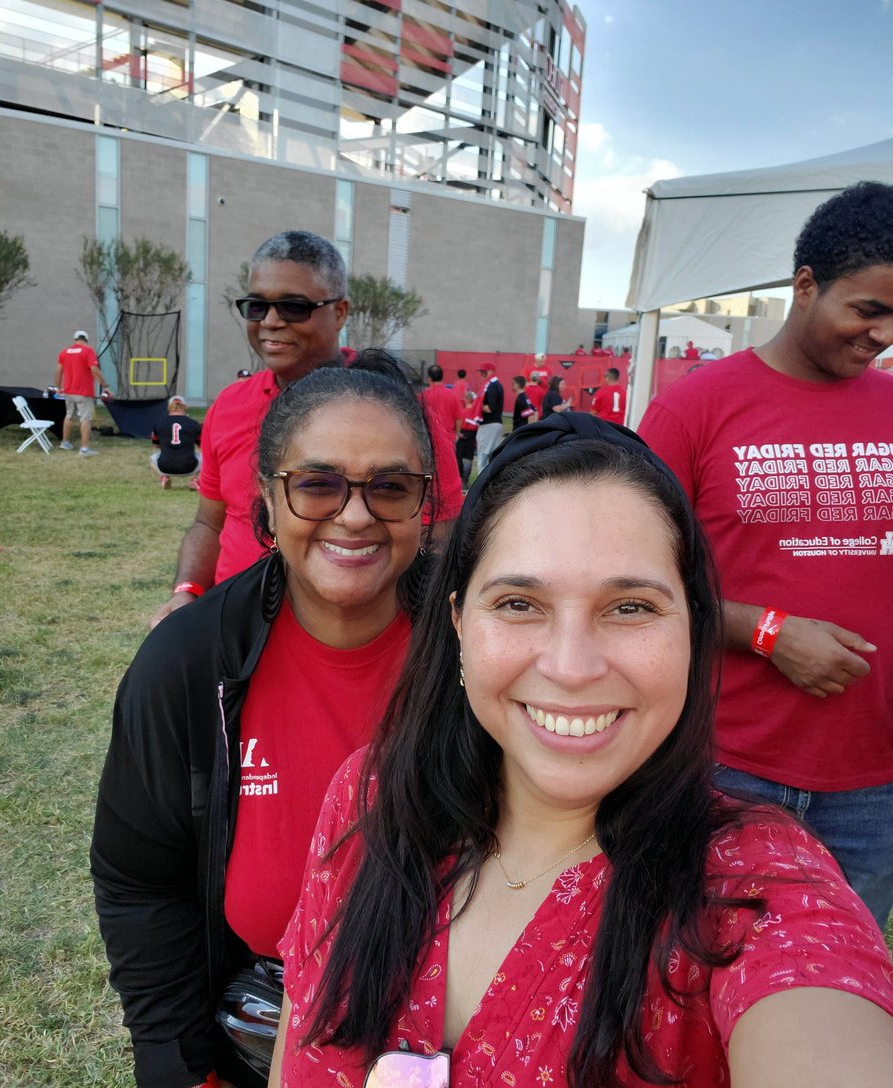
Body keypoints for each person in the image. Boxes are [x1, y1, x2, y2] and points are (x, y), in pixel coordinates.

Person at [269, 414, 893, 1088]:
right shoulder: (371, 796)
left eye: (629, 608)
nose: (571, 667)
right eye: (517, 604)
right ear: (457, 624)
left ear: (694, 628)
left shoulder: (756, 884)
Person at [91, 356, 437, 1088]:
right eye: (317, 483)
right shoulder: (184, 665)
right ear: (268, 503)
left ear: (424, 505)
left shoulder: (485, 643)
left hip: (469, 1033)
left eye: (390, 487)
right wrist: (179, 1067)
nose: (354, 514)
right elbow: (140, 887)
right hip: (261, 1042)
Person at [638, 180, 893, 929]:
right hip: (725, 766)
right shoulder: (694, 407)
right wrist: (767, 632)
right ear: (805, 285)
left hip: (873, 785)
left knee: (834, 996)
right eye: (867, 309)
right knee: (696, 981)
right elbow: (635, 588)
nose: (881, 334)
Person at [149, 232, 460, 630]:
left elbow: (440, 534)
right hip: (235, 630)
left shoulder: (400, 411)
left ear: (341, 312)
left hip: (358, 635)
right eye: (257, 306)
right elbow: (209, 523)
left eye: (294, 307)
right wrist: (186, 592)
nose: (271, 322)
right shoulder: (228, 406)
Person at [54, 328, 111, 456]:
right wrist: (105, 386)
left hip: (68, 391)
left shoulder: (64, 352)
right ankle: (84, 449)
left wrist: (58, 387)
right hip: (83, 392)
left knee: (69, 416)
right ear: (86, 340)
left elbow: (58, 371)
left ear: (75, 340)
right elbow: (94, 370)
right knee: (86, 418)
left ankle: (65, 442)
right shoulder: (88, 351)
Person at [150, 394, 202, 489]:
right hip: (190, 466)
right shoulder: (194, 424)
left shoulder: (159, 424)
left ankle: (164, 477)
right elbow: (202, 446)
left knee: (153, 457)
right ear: (185, 407)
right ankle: (196, 480)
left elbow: (156, 445)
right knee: (207, 457)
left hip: (165, 467)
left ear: (169, 407)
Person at [475, 361, 503, 472]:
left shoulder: (492, 386)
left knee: (483, 455)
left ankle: (480, 484)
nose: (481, 373)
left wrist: (477, 404)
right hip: (494, 424)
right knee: (492, 456)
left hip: (489, 424)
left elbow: (490, 408)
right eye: (481, 371)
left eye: (483, 371)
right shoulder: (495, 384)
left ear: (490, 371)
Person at [422, 364, 461, 442]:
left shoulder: (423, 396)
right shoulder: (453, 395)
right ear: (442, 377)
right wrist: (457, 434)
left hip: (430, 438)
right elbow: (458, 418)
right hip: (448, 438)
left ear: (429, 378)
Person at [455, 390, 479, 489]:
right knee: (467, 458)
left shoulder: (463, 411)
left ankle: (462, 478)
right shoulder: (475, 412)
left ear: (468, 399)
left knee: (459, 457)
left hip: (463, 434)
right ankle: (465, 479)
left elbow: (458, 422)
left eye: (465, 398)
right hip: (471, 436)